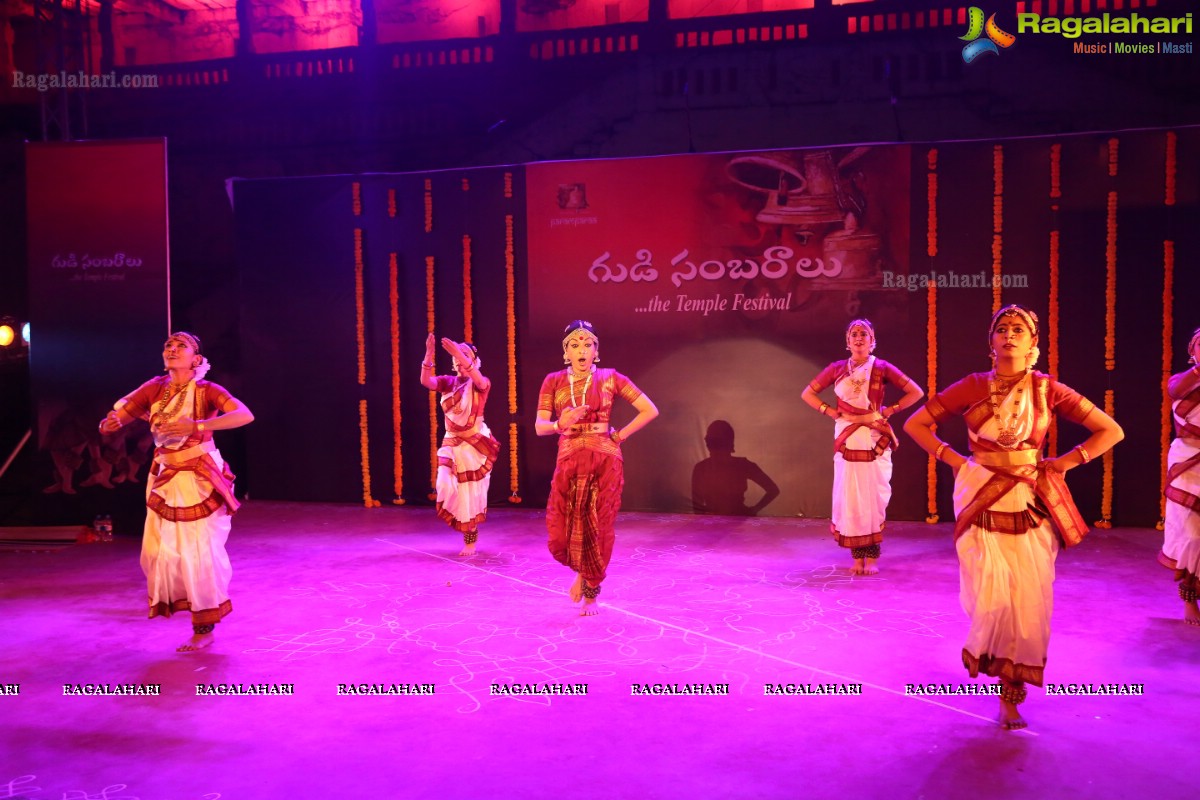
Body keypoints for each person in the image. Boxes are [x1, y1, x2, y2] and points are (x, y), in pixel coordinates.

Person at [904, 305, 1123, 730]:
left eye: (1018, 329)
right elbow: (917, 423)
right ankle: (996, 667)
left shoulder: (1048, 390)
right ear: (991, 342)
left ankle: (1011, 696)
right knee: (991, 597)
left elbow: (1110, 430)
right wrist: (953, 459)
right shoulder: (972, 386)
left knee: (1027, 597)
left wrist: (1065, 463)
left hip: (1028, 498)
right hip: (981, 492)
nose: (1009, 335)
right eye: (1001, 329)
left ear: (1033, 344)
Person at [98, 332, 253, 652]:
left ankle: (204, 627)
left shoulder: (208, 391)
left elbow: (244, 415)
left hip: (197, 478)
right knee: (160, 553)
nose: (171, 349)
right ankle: (182, 605)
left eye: (181, 346)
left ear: (196, 359)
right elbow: (120, 414)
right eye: (168, 345)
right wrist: (108, 424)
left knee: (198, 553)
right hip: (165, 478)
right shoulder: (154, 387)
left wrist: (195, 426)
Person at [535, 320, 658, 615]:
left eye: (587, 345)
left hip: (604, 459)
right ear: (566, 352)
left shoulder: (610, 378)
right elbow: (540, 427)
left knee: (597, 525)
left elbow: (649, 410)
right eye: (574, 345)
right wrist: (558, 424)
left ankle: (591, 591)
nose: (581, 350)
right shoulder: (553, 381)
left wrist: (619, 436)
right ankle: (580, 571)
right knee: (563, 529)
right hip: (569, 458)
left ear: (596, 351)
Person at [801, 319, 923, 574]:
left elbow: (916, 392)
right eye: (854, 334)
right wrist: (830, 412)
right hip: (847, 434)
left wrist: (890, 410)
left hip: (873, 434)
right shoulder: (836, 368)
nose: (858, 338)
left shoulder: (881, 367)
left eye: (864, 334)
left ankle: (873, 556)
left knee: (873, 496)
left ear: (872, 340)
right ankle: (857, 558)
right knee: (852, 497)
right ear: (847, 342)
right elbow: (807, 394)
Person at [420, 334, 500, 556]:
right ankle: (459, 521)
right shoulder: (448, 382)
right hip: (451, 441)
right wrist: (428, 355)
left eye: (466, 356)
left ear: (474, 360)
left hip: (473, 444)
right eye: (457, 356)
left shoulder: (480, 384)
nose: (459, 359)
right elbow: (426, 381)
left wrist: (460, 354)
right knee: (444, 485)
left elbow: (479, 379)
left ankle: (470, 541)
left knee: (470, 495)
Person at [1161, 327, 1200, 626]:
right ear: (1192, 351)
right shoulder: (1181, 381)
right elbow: (1174, 391)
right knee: (1192, 536)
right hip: (1187, 461)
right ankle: (1189, 600)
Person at [691, 420, 779, 516]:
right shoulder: (743, 465)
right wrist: (754, 510)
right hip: (733, 522)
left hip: (717, 523)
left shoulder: (701, 468)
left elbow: (697, 508)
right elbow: (773, 490)